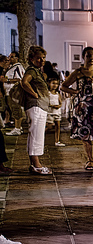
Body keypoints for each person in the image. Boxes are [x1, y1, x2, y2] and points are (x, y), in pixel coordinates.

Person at [61, 46, 93, 170]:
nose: (92, 58)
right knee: (86, 133)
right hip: (83, 107)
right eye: (89, 55)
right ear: (83, 57)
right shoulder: (78, 72)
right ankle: (90, 160)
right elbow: (63, 86)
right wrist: (75, 92)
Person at [21, 46, 52, 174]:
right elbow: (24, 82)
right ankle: (36, 164)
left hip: (39, 106)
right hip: (36, 106)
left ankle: (34, 163)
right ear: (31, 59)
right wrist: (35, 94)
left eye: (43, 58)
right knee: (36, 135)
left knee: (36, 134)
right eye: (38, 58)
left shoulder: (37, 71)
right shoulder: (32, 70)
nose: (42, 60)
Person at [4, 51, 26, 136]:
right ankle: (18, 127)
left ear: (17, 58)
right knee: (13, 109)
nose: (10, 59)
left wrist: (8, 80)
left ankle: (17, 128)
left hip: (13, 92)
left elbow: (20, 78)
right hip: (8, 92)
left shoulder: (18, 67)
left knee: (16, 109)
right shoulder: (11, 67)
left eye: (12, 57)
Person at [46, 77, 65, 147]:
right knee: (49, 127)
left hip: (57, 112)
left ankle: (57, 141)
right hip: (50, 112)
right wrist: (51, 105)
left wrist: (59, 106)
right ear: (49, 84)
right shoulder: (47, 93)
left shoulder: (57, 93)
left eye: (56, 84)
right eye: (53, 83)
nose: (55, 85)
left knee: (58, 126)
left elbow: (60, 102)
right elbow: (46, 102)